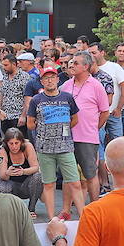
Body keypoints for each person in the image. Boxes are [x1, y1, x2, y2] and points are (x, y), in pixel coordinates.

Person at [25, 66, 83, 220]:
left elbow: (75, 119)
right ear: (42, 81)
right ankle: (51, 219)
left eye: (52, 77)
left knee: (75, 183)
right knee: (49, 184)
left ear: (58, 79)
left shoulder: (67, 97)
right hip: (45, 149)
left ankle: (84, 218)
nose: (49, 80)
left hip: (66, 147)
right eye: (46, 78)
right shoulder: (36, 100)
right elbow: (30, 124)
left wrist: (61, 129)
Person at [61, 53, 109, 202]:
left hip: (87, 138)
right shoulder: (67, 85)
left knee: (90, 175)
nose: (71, 65)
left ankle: (94, 206)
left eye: (75, 63)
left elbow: (105, 112)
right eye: (71, 63)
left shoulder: (96, 85)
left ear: (86, 66)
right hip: (67, 136)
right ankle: (66, 210)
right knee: (68, 176)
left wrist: (94, 128)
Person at [0, 128, 41, 216]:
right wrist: (8, 173)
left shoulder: (28, 146)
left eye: (16, 143)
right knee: (0, 187)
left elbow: (36, 167)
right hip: (11, 185)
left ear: (21, 142)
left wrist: (23, 171)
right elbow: (2, 175)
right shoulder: (3, 151)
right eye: (11, 143)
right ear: (6, 143)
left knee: (38, 176)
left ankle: (31, 209)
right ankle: (9, 211)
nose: (14, 146)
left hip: (26, 185)